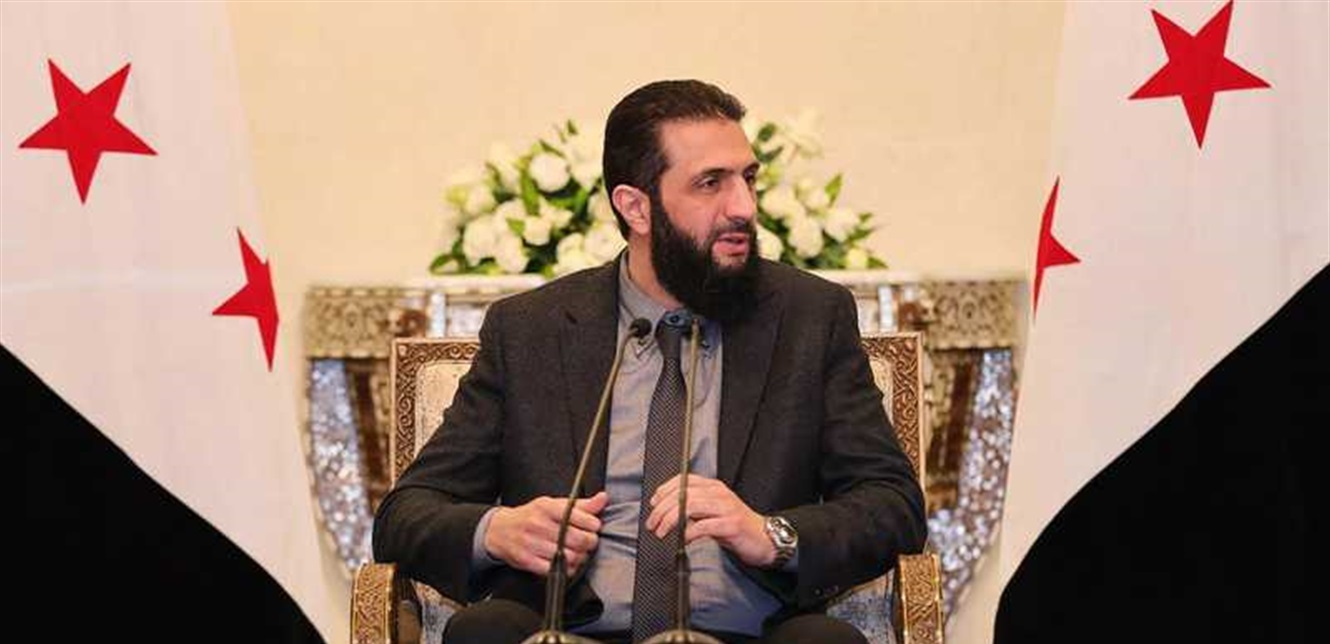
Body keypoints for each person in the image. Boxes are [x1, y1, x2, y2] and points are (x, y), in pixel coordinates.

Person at [373, 79, 927, 644]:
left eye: (748, 179)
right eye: (711, 183)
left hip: (751, 635)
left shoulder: (808, 317)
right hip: (569, 633)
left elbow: (894, 504)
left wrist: (771, 534)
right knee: (484, 632)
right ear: (636, 207)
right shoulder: (531, 331)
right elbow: (404, 515)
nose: (743, 207)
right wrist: (498, 530)